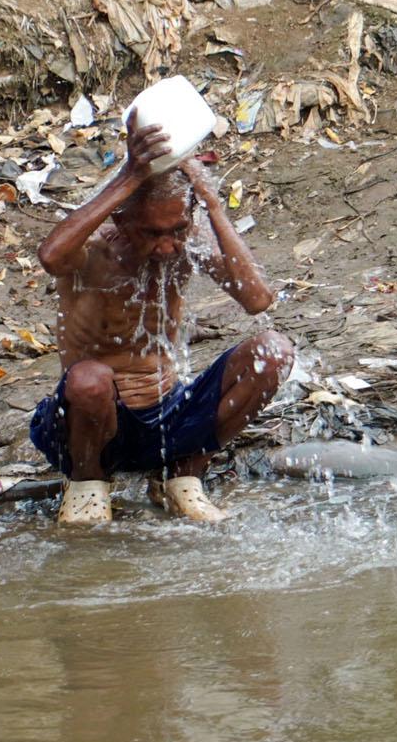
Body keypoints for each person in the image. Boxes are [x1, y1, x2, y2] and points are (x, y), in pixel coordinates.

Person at [30, 115, 294, 524]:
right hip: (95, 425)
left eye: (178, 229)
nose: (168, 246)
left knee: (272, 353)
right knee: (89, 380)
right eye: (152, 233)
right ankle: (87, 485)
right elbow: (50, 256)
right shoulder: (95, 249)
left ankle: (181, 476)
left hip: (169, 419)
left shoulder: (187, 239)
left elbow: (257, 299)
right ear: (120, 220)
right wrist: (128, 178)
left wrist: (211, 203)